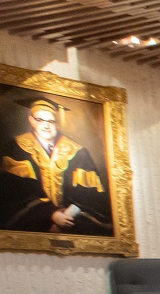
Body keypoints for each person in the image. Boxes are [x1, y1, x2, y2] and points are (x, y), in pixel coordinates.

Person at [2, 96, 113, 235]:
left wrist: (67, 216)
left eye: (51, 121)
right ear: (31, 120)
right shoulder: (17, 147)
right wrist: (51, 215)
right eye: (40, 120)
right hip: (32, 220)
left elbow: (89, 195)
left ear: (56, 123)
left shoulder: (77, 151)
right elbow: (16, 192)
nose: (46, 125)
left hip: (73, 221)